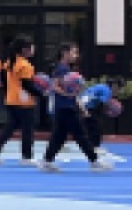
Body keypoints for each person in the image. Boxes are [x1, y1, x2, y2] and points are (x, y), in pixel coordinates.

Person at [43, 44, 110, 172]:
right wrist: (67, 94)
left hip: (66, 106)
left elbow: (72, 92)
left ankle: (47, 160)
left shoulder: (66, 69)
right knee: (81, 135)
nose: (76, 56)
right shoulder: (61, 68)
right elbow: (54, 86)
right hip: (65, 107)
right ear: (65, 53)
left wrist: (81, 106)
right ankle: (94, 161)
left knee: (59, 136)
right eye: (74, 52)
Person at [0, 36, 39, 163]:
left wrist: (8, 91)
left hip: (11, 99)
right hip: (24, 102)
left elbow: (3, 79)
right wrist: (41, 93)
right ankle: (26, 156)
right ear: (24, 49)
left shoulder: (9, 62)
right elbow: (26, 85)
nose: (33, 48)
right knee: (27, 130)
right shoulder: (25, 65)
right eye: (31, 46)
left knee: (10, 128)